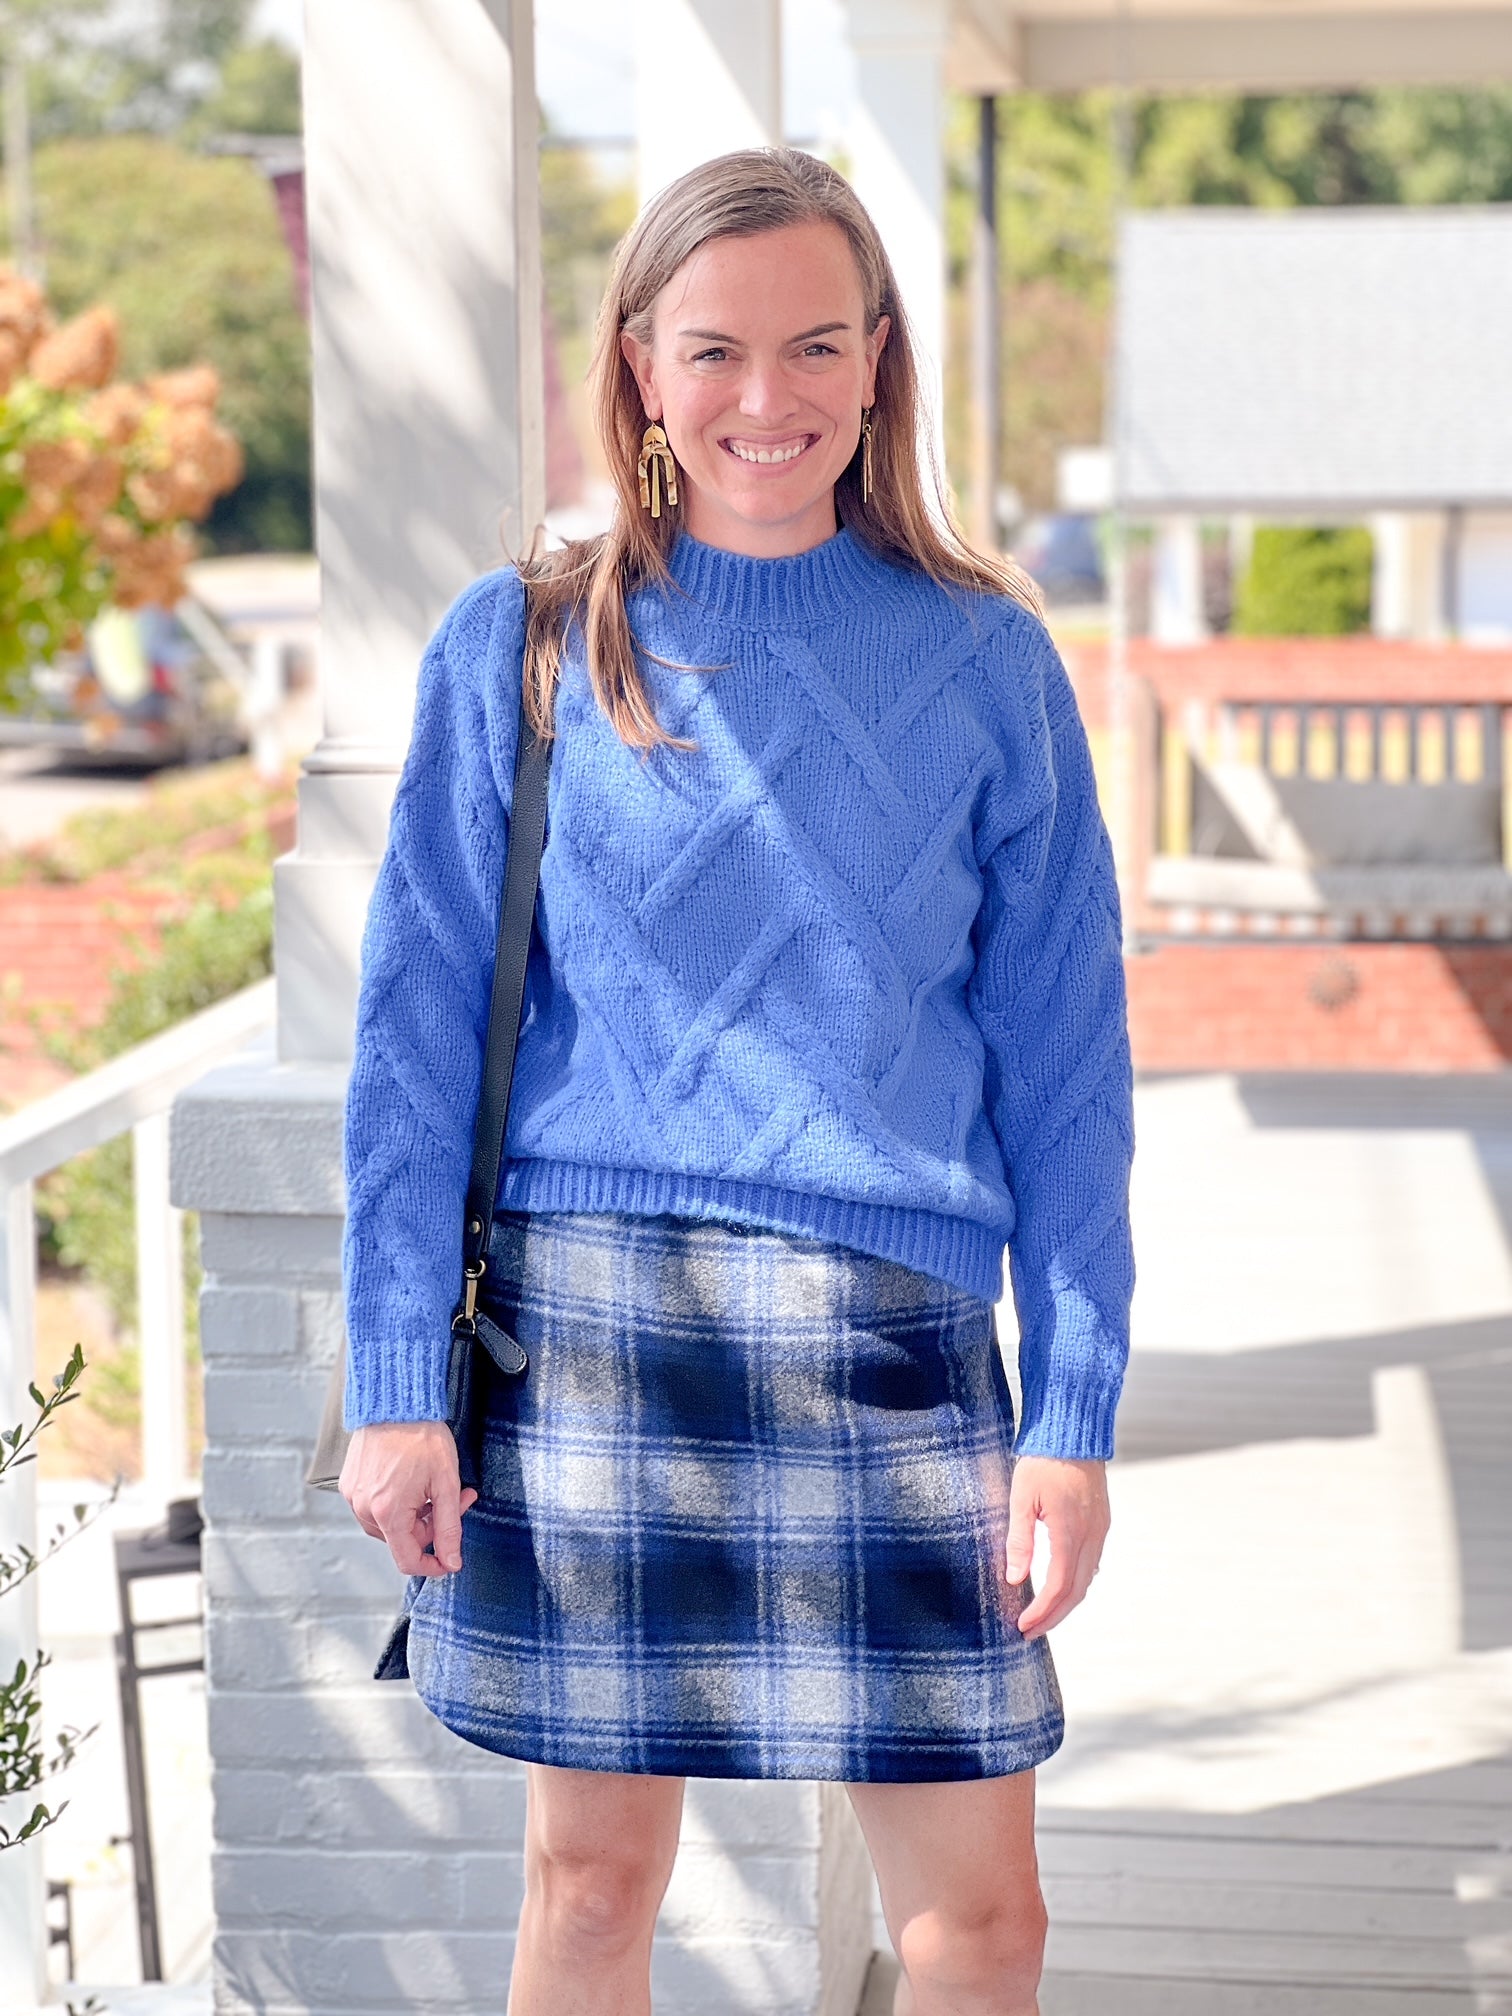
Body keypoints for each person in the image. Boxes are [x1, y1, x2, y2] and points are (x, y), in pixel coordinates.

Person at [337, 145, 1134, 2016]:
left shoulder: (992, 662)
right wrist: (397, 1379)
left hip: (899, 1346)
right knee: (594, 1893)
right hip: (594, 1344)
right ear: (633, 366)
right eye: (711, 352)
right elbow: (413, 1039)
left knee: (983, 1926)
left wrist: (1076, 1410)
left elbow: (1070, 1067)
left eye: (812, 348)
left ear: (877, 366)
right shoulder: (520, 643)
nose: (764, 401)